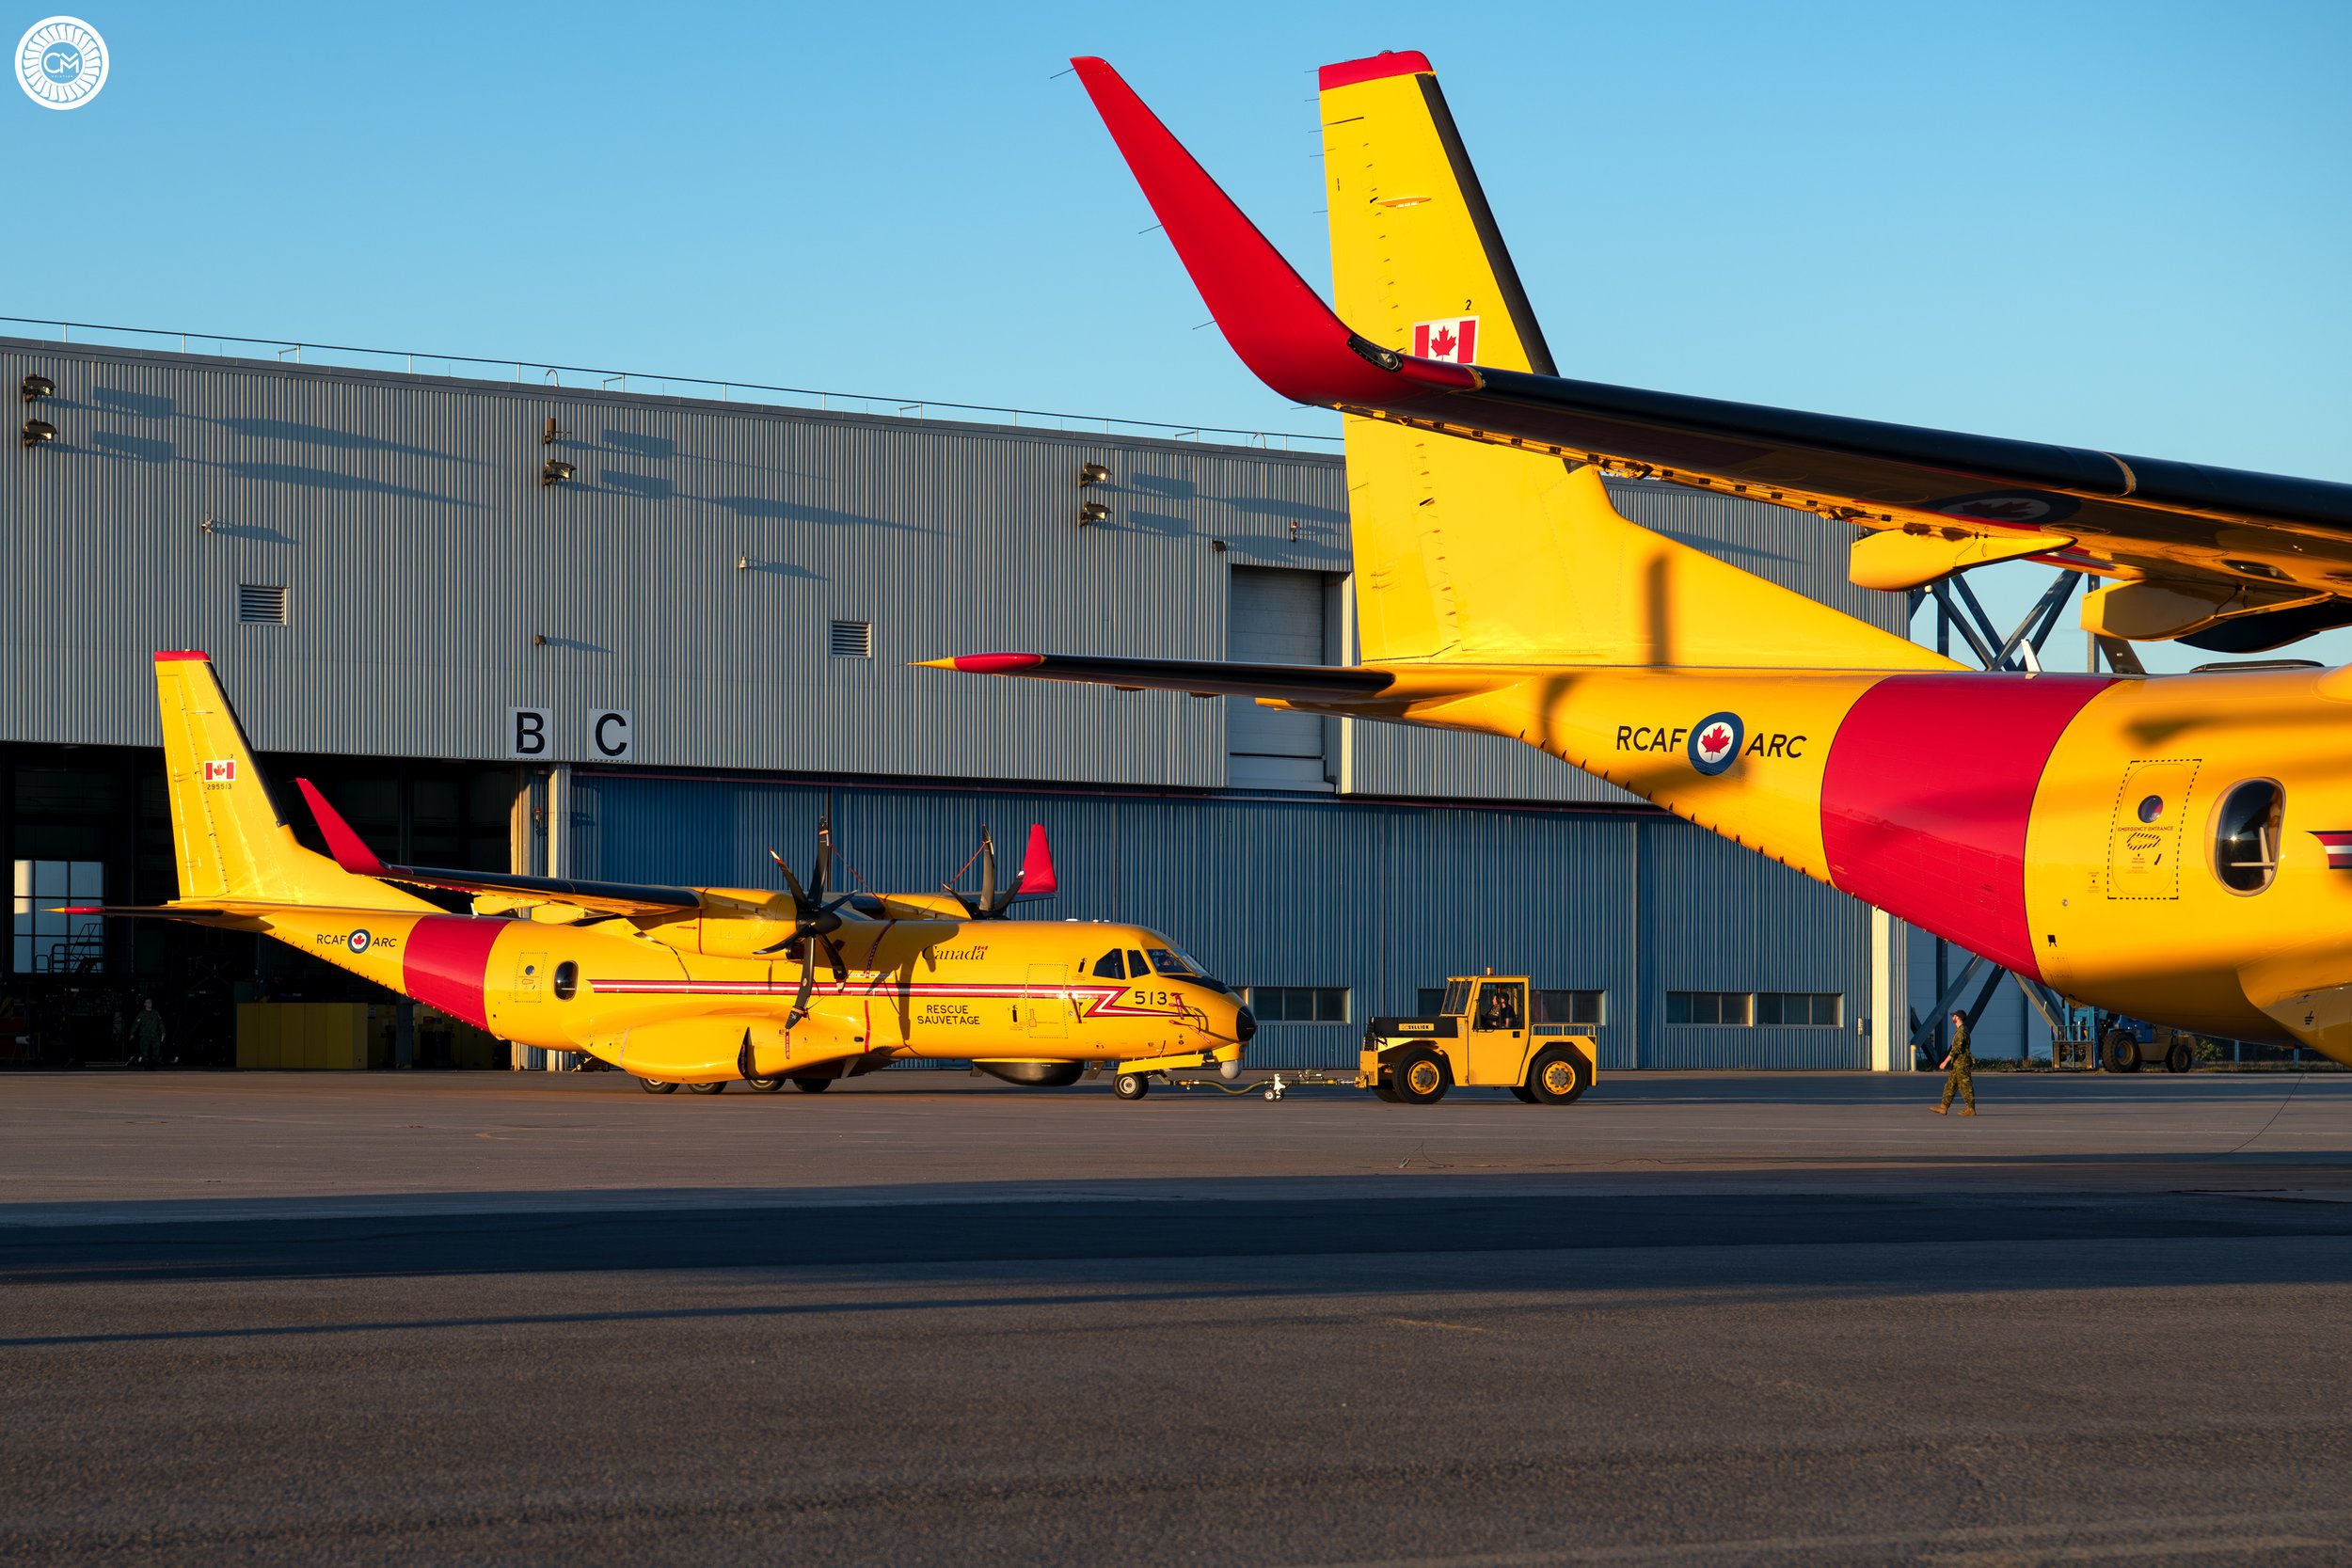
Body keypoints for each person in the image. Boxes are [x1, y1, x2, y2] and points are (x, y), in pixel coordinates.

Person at [1934, 1009, 1975, 1116]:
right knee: (1950, 1085)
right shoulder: (1960, 1031)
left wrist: (1945, 1062)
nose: (1952, 1018)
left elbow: (1956, 1049)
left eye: (1954, 1016)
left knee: (1965, 1085)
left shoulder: (1961, 1032)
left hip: (1962, 1064)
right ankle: (1944, 1107)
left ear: (1957, 1018)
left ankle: (1971, 1108)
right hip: (1956, 1064)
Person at [130, 996, 166, 1071]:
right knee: (144, 1051)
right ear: (144, 1004)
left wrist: (163, 1031)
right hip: (144, 1035)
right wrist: (132, 1033)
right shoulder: (142, 1014)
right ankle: (146, 1065)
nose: (149, 1004)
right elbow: (136, 1024)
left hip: (154, 1035)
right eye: (148, 1002)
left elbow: (160, 1023)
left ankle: (152, 1064)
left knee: (157, 1049)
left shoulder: (155, 1013)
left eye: (150, 1002)